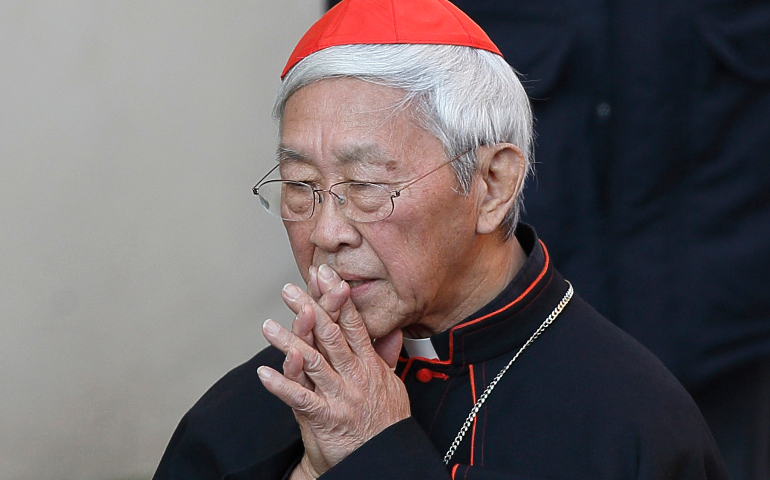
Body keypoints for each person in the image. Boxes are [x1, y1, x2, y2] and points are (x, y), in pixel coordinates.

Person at [153, 1, 729, 478]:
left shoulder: (635, 427)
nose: (326, 232)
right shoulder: (245, 410)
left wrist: (374, 458)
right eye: (302, 185)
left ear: (491, 184)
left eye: (367, 184)